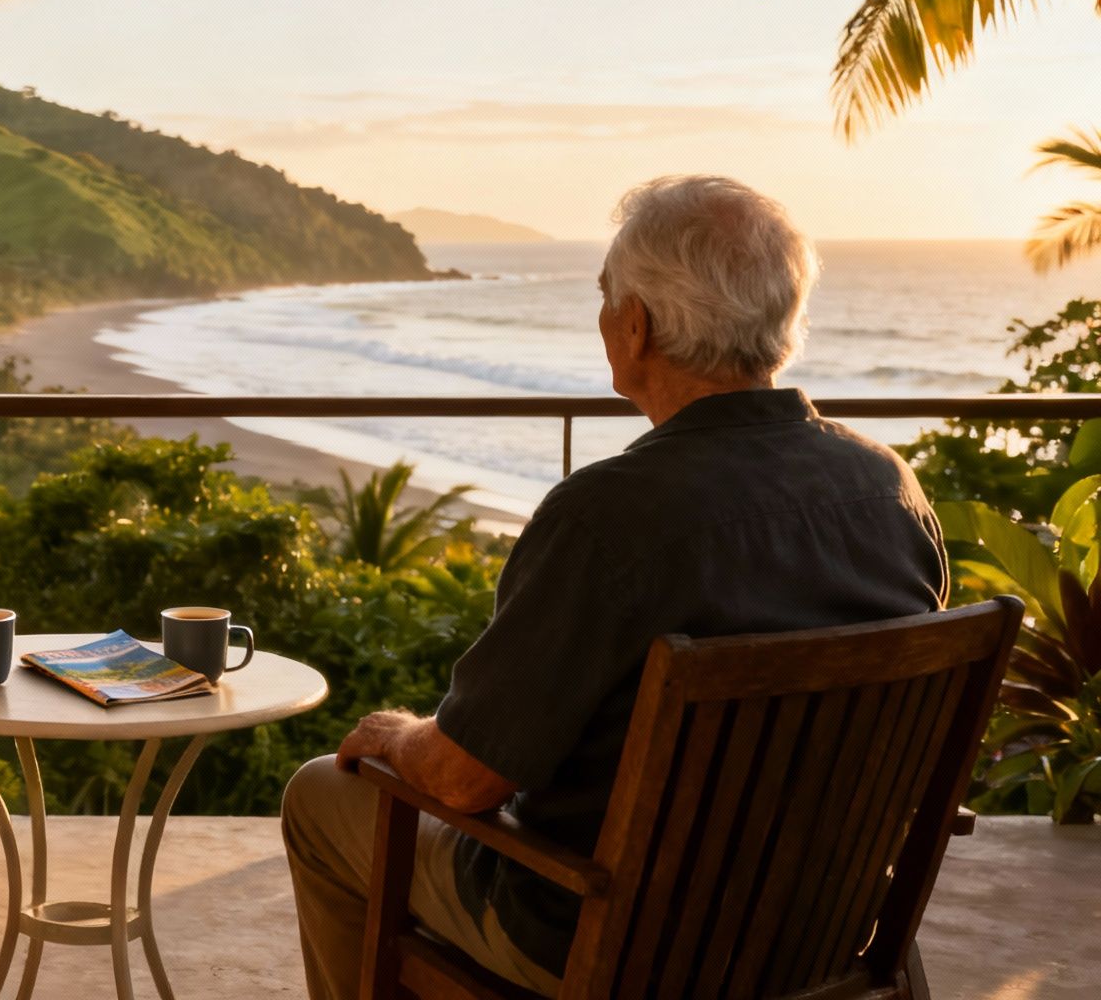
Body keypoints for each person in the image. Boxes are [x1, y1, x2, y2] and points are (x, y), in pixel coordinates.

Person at [280, 175, 948, 998]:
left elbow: (464, 779)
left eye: (607, 299)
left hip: (612, 948)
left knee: (321, 794)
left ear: (635, 327)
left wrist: (393, 735)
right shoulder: (889, 490)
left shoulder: (607, 520)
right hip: (818, 932)